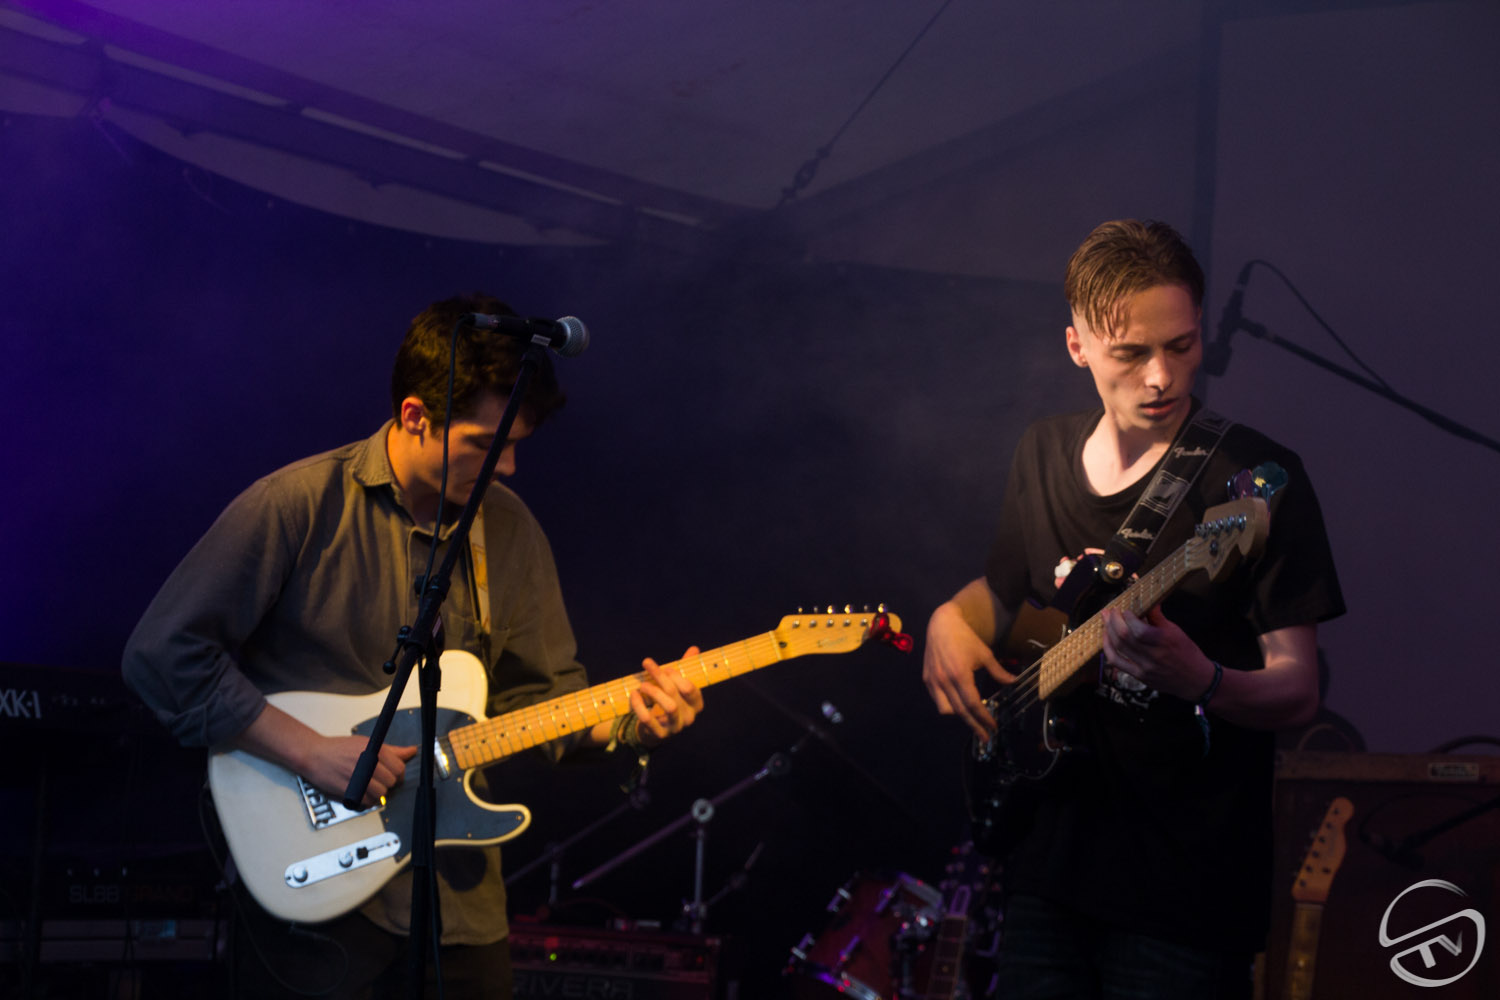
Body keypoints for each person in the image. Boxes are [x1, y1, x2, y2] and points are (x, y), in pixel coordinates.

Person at [122, 294, 704, 999]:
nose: (508, 467)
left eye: (516, 445)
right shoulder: (297, 503)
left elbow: (543, 697)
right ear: (414, 416)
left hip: (458, 909)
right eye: (487, 445)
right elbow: (164, 653)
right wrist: (309, 750)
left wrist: (632, 725)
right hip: (314, 906)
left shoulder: (510, 530)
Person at [921, 220, 1344, 999]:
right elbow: (1005, 596)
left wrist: (1201, 679)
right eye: (1130, 353)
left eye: (1182, 345)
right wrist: (951, 617)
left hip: (1183, 894)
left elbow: (1298, 690)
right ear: (1077, 346)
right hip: (1046, 868)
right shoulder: (1043, 450)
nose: (1161, 377)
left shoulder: (1255, 477)